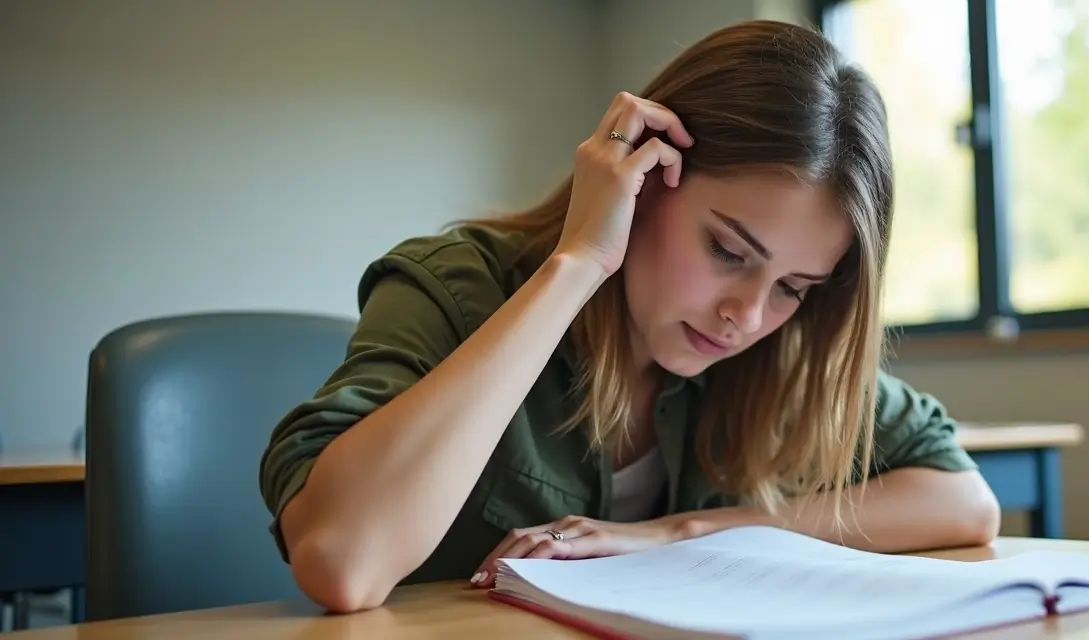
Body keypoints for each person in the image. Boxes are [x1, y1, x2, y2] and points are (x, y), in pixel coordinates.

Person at [258, 19, 1001, 614]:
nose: (747, 315)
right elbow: (344, 564)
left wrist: (678, 535)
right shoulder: (459, 286)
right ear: (645, 177)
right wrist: (579, 262)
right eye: (727, 249)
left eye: (794, 286)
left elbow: (963, 501)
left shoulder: (776, 349)